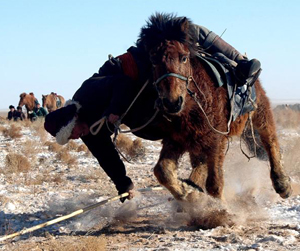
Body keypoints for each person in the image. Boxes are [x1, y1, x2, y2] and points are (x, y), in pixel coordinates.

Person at [44, 13, 261, 202]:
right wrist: (124, 186)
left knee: (190, 36)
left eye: (72, 133)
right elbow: (105, 156)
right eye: (72, 137)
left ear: (73, 120)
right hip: (144, 116)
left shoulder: (89, 92)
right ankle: (190, 192)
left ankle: (240, 63)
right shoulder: (88, 131)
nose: (76, 137)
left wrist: (114, 110)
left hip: (135, 70)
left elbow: (122, 83)